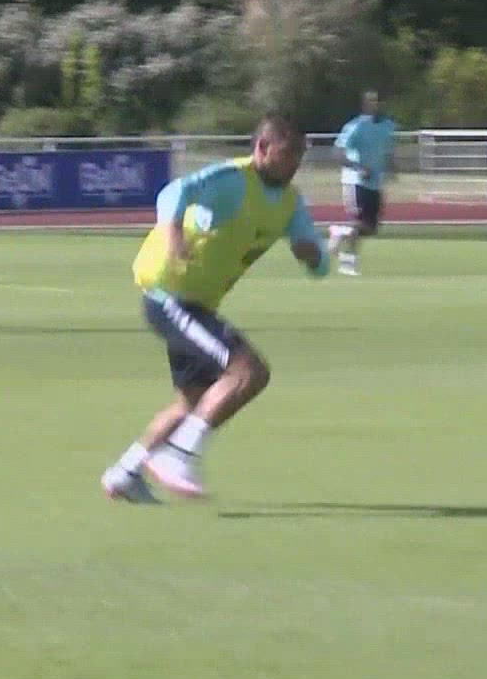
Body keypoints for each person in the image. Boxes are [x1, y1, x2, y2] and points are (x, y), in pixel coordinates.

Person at [101, 114, 329, 503]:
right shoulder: (234, 180)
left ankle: (125, 472)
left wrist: (313, 256)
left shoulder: (290, 203)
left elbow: (318, 262)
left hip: (196, 305)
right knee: (249, 371)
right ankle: (178, 457)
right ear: (262, 148)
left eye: (300, 155)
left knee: (195, 401)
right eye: (288, 153)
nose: (295, 163)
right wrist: (173, 231)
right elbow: (173, 192)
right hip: (169, 296)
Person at [326, 89, 399, 276]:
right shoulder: (355, 127)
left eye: (377, 101)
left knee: (371, 228)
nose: (375, 105)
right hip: (356, 182)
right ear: (364, 105)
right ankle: (347, 263)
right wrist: (358, 168)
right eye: (370, 102)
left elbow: (388, 150)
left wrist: (392, 169)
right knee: (359, 222)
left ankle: (339, 231)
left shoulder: (388, 126)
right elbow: (338, 152)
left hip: (375, 183)